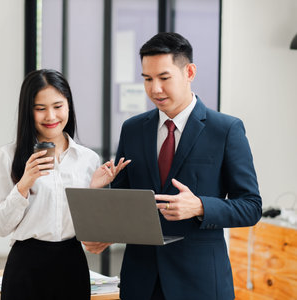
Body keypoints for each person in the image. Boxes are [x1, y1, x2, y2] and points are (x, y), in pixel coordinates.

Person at [84, 32, 262, 299]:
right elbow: (125, 200)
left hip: (200, 283)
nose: (155, 88)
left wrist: (200, 206)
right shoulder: (132, 129)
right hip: (141, 283)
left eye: (164, 78)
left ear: (189, 72)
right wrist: (105, 231)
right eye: (147, 79)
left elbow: (251, 206)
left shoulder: (225, 130)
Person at [0, 69, 130, 300]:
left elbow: (89, 234)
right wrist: (24, 184)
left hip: (71, 264)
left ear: (68, 106)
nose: (51, 116)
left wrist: (93, 191)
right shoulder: (8, 156)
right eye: (40, 108)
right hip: (26, 266)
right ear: (28, 111)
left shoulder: (88, 159)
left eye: (58, 106)